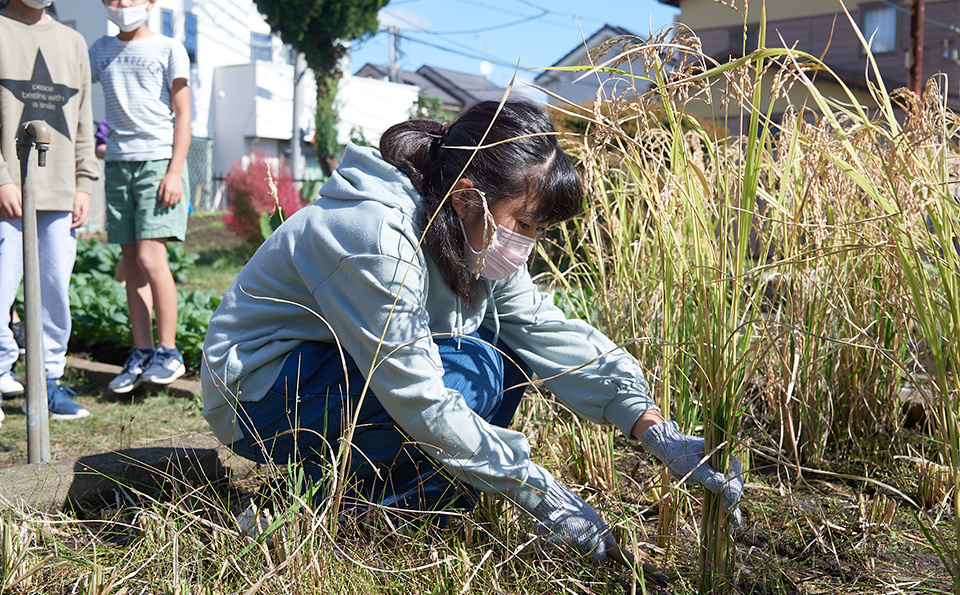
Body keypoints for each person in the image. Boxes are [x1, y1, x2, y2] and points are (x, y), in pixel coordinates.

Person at [201, 100, 743, 562]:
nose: (530, 243)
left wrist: (650, 424)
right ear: (466, 195)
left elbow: (541, 329)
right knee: (479, 369)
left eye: (541, 230)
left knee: (504, 358)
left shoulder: (472, 232)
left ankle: (381, 500)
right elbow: (420, 393)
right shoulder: (372, 236)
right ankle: (355, 511)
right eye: (526, 224)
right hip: (259, 394)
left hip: (337, 374)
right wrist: (537, 488)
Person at [0, 0, 97, 424]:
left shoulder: (73, 41)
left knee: (55, 290)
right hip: (7, 192)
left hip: (60, 191)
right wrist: (2, 178)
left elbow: (84, 120)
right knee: (1, 287)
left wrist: (84, 183)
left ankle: (47, 381)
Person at [89, 0, 191, 394]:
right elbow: (82, 97)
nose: (122, 5)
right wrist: (98, 142)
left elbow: (183, 113)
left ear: (150, 3)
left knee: (151, 256)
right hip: (117, 164)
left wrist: (175, 171)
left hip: (157, 162)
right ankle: (142, 352)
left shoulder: (168, 48)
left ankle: (169, 351)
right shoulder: (99, 49)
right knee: (130, 262)